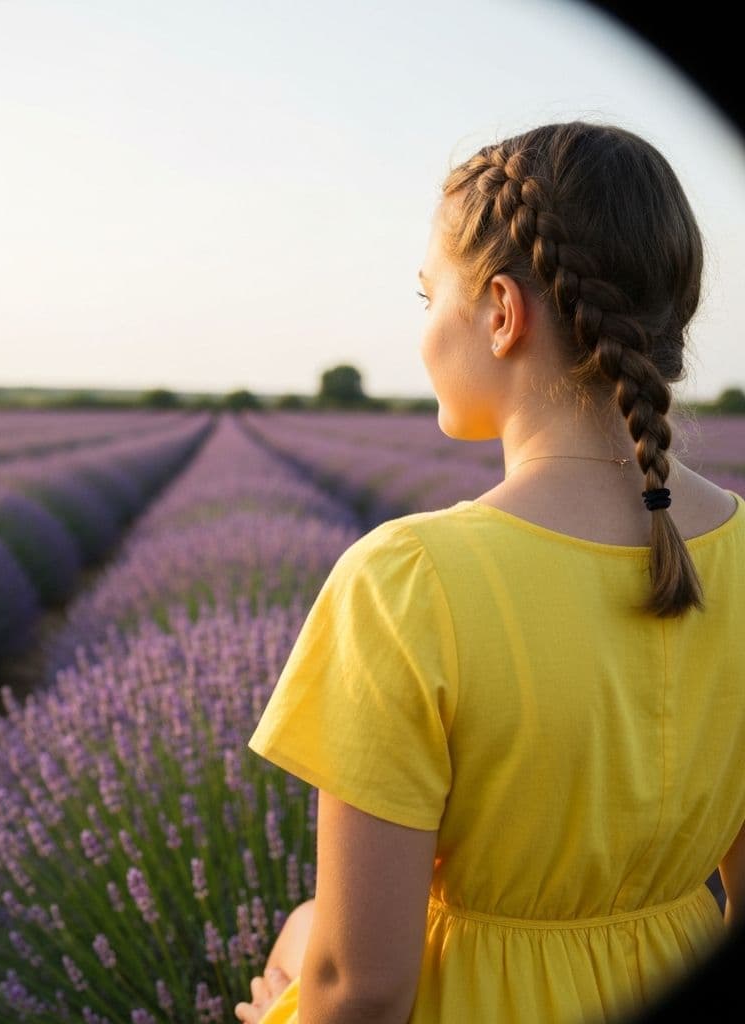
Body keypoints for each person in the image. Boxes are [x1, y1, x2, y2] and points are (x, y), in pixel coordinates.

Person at [236, 120, 745, 1023]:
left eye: (430, 295)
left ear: (502, 313)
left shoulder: (408, 584)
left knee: (301, 948)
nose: (424, 327)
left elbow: (361, 987)